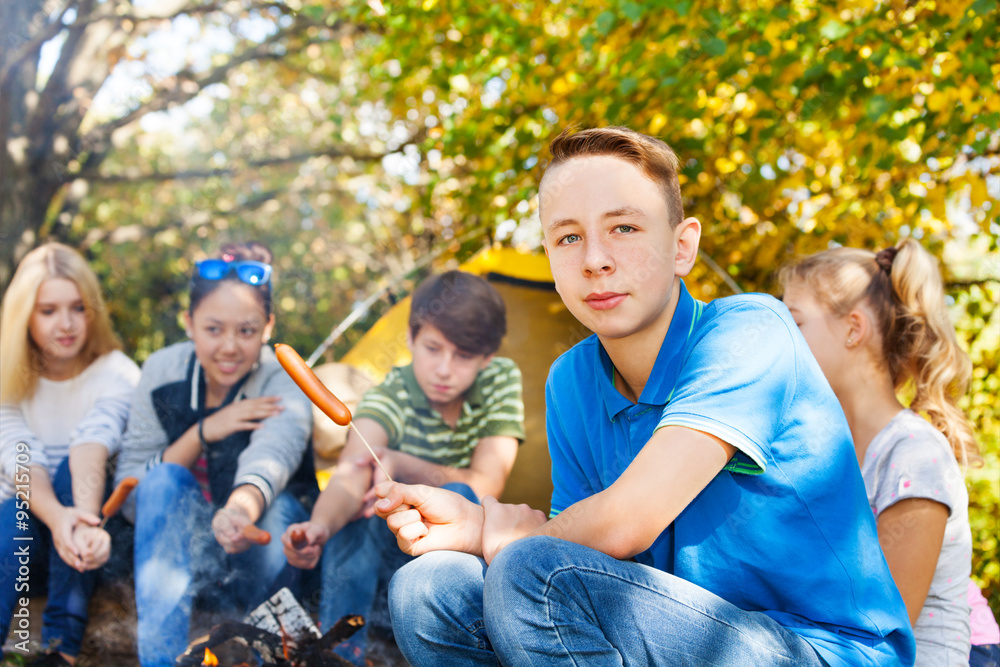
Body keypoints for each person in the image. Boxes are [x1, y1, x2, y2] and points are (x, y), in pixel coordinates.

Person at [372, 126, 916, 667]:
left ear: (682, 247)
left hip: (820, 650)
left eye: (624, 228)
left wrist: (486, 531)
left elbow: (621, 524)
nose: (595, 260)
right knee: (429, 587)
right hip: (663, 632)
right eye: (568, 238)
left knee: (533, 571)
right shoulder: (571, 380)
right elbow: (578, 549)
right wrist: (479, 525)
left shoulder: (750, 332)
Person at [281, 270, 525, 662]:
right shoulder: (391, 394)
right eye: (432, 348)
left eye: (463, 356)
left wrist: (400, 463)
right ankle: (341, 655)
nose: (444, 369)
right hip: (381, 555)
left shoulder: (499, 381)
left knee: (461, 495)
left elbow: (486, 485)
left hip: (453, 562)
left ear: (486, 359)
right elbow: (350, 472)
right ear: (411, 339)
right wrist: (319, 526)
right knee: (363, 507)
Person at [780, 239, 998, 667]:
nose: (782, 341)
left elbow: (881, 628)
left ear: (853, 329)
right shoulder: (822, 451)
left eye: (795, 323)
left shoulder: (915, 454)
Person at [115, 242, 318, 667]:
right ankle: (160, 661)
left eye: (246, 331)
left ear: (268, 327)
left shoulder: (284, 377)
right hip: (180, 557)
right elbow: (133, 491)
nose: (229, 347)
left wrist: (240, 510)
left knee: (280, 507)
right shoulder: (161, 372)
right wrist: (205, 431)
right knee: (166, 479)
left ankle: (279, 655)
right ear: (188, 323)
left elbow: (273, 454)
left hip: (263, 553)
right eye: (213, 329)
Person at [0, 243, 140, 666]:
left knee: (67, 473)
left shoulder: (117, 372)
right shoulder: (7, 377)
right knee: (15, 511)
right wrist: (59, 519)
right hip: (24, 545)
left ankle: (61, 650)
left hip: (97, 539)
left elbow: (92, 440)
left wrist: (79, 520)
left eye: (78, 307)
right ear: (24, 315)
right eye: (48, 311)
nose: (66, 324)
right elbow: (19, 457)